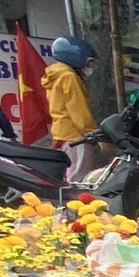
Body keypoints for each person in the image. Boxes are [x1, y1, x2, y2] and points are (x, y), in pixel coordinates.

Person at [42, 36, 98, 180]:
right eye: (89, 62)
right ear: (76, 57)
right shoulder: (69, 77)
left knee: (68, 177)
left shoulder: (55, 76)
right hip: (76, 136)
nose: (89, 67)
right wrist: (95, 133)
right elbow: (79, 112)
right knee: (79, 179)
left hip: (62, 134)